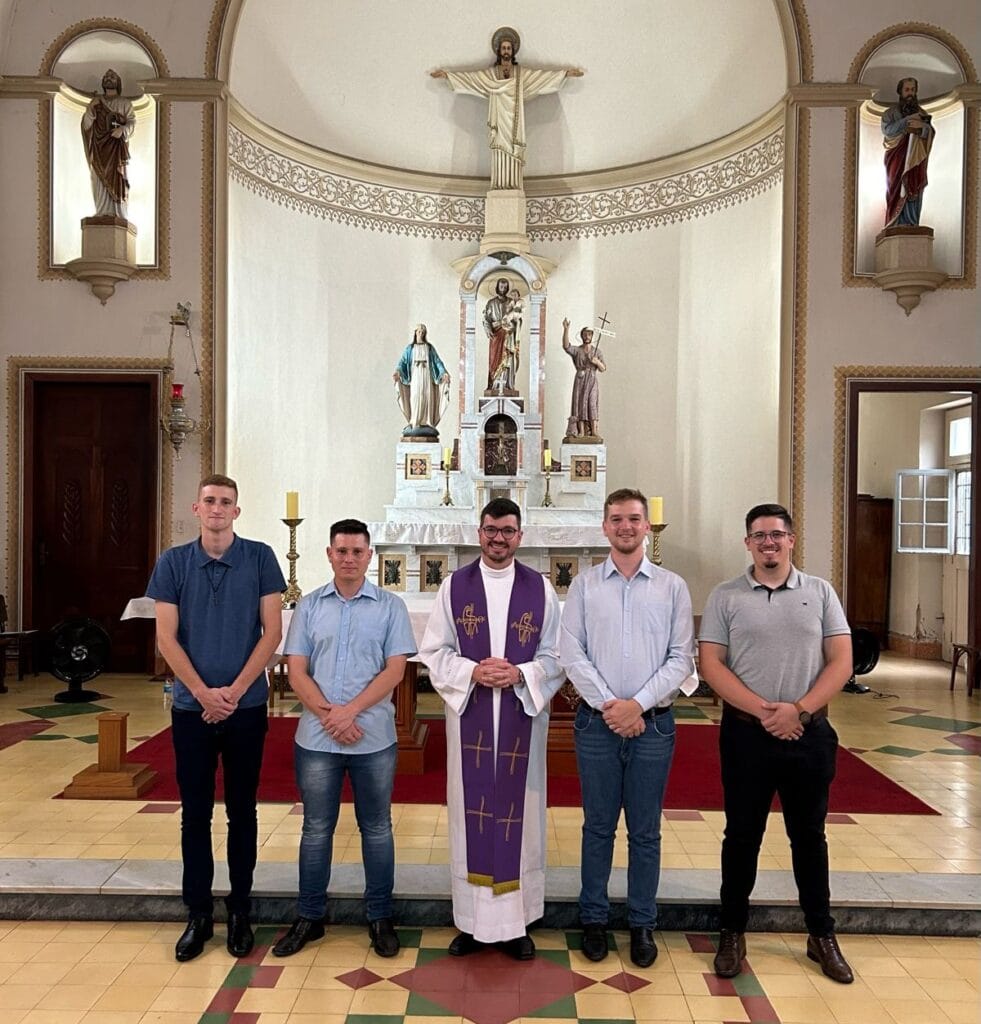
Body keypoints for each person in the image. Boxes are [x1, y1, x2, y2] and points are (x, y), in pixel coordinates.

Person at [698, 503, 855, 984]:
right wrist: (767, 713)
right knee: (741, 836)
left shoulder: (820, 592)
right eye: (759, 535)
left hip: (808, 734)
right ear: (747, 543)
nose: (768, 543)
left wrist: (799, 710)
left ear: (791, 540)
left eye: (776, 534)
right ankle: (731, 931)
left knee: (809, 837)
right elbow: (711, 664)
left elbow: (841, 661)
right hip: (746, 735)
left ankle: (821, 934)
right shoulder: (726, 596)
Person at [147, 474, 286, 962]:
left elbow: (272, 633)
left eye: (226, 502)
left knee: (243, 811)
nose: (217, 508)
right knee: (195, 814)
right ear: (196, 508)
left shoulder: (261, 557)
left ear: (236, 511)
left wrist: (236, 690)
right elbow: (166, 637)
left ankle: (241, 909)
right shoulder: (173, 562)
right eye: (209, 500)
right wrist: (203, 693)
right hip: (193, 709)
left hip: (245, 708)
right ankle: (199, 913)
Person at [419, 498, 563, 960]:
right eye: (490, 530)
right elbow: (434, 651)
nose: (498, 538)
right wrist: (472, 672)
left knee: (522, 821)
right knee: (472, 816)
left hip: (521, 717)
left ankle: (516, 925)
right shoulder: (454, 586)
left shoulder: (540, 589)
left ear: (520, 536)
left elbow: (556, 655)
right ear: (478, 532)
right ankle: (472, 922)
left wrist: (520, 674)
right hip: (472, 718)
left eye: (507, 531)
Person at [559, 489, 696, 968]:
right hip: (597, 725)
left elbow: (681, 657)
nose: (625, 526)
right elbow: (571, 652)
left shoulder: (672, 587)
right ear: (605, 526)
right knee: (597, 827)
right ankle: (594, 919)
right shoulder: (584, 586)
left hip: (652, 727)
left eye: (634, 519)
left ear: (646, 526)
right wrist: (611, 706)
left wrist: (636, 705)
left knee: (645, 831)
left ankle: (642, 923)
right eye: (616, 519)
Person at [272, 519, 416, 959]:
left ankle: (380, 916)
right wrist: (329, 715)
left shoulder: (390, 606)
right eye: (342, 551)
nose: (349, 559)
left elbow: (395, 670)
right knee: (316, 829)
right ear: (329, 554)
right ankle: (309, 916)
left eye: (357, 551)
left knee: (377, 828)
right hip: (317, 739)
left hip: (372, 737)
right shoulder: (309, 606)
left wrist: (349, 711)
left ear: (369, 556)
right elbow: (296, 669)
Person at [431, 27, 583, 191]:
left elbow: (541, 77)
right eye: (503, 48)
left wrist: (564, 74)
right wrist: (449, 76)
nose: (506, 51)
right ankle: (499, 184)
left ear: (513, 51)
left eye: (509, 48)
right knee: (499, 152)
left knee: (513, 151)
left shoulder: (521, 74)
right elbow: (472, 79)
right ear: (499, 51)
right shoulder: (491, 75)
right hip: (498, 120)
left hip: (514, 123)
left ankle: (513, 185)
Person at [81, 69, 136, 219]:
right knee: (97, 179)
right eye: (106, 76)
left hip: (116, 150)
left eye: (112, 77)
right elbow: (87, 125)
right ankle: (101, 211)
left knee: (117, 177)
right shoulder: (97, 102)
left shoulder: (124, 103)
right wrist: (91, 109)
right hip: (99, 148)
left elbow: (132, 122)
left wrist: (122, 130)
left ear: (118, 82)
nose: (108, 78)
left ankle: (118, 212)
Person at [882, 77, 935, 228]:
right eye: (907, 90)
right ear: (900, 92)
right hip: (897, 157)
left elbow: (930, 133)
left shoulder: (922, 113)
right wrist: (907, 121)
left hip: (916, 159)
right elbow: (887, 130)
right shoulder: (890, 113)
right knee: (895, 187)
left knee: (914, 187)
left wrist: (921, 128)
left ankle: (912, 222)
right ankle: (894, 223)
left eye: (912, 90)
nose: (910, 93)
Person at [392, 323, 451, 436]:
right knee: (415, 396)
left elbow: (437, 361)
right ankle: (415, 421)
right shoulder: (410, 348)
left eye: (423, 332)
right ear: (415, 333)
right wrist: (398, 372)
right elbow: (403, 362)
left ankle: (427, 421)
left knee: (427, 396)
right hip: (415, 375)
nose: (421, 334)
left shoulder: (429, 348)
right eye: (419, 331)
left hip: (426, 375)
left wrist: (443, 373)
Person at [561, 318, 607, 440]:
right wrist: (566, 329)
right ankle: (581, 430)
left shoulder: (597, 351)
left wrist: (596, 362)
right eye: (585, 334)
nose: (587, 337)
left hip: (592, 380)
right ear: (582, 336)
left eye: (589, 334)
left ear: (592, 336)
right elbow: (566, 346)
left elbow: (603, 368)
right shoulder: (578, 350)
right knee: (580, 403)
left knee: (592, 403)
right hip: (581, 379)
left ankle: (594, 431)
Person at [483, 277, 521, 394]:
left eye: (505, 287)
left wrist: (514, 324)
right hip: (496, 334)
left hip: (508, 334)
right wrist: (488, 329)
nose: (503, 289)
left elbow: (517, 318)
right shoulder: (491, 303)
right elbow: (486, 319)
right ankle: (493, 384)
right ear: (497, 287)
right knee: (494, 359)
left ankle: (507, 384)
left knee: (508, 357)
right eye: (501, 287)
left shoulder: (511, 302)